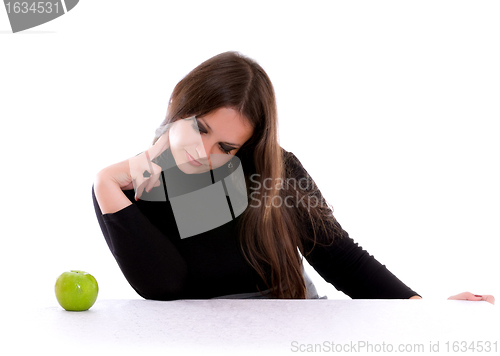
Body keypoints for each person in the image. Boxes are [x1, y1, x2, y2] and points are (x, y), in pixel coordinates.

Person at [92, 51, 494, 304]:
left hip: (294, 334)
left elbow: (340, 257)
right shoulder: (127, 191)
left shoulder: (270, 173)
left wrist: (422, 311)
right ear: (178, 101)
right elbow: (164, 286)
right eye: (200, 127)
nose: (203, 153)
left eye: (227, 148)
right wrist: (104, 183)